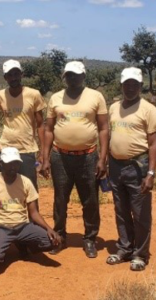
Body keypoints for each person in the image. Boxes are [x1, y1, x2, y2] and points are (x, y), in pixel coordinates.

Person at [40, 61, 109, 258]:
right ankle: (60, 237)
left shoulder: (95, 97)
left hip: (88, 156)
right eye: (69, 75)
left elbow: (104, 128)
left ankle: (89, 239)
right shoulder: (55, 98)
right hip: (60, 156)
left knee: (90, 200)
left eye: (76, 75)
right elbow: (48, 129)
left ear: (83, 76)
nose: (72, 78)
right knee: (60, 199)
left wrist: (102, 158)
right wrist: (45, 158)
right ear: (65, 77)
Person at [106, 67, 156, 271]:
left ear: (140, 86)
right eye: (126, 84)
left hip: (138, 167)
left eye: (134, 84)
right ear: (121, 85)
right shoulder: (113, 108)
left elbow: (154, 144)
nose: (130, 88)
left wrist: (151, 173)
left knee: (140, 214)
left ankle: (140, 254)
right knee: (121, 211)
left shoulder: (148, 109)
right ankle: (124, 248)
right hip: (115, 166)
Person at [0, 147, 61, 266]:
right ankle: (1, 243)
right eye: (9, 164)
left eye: (16, 163)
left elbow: (33, 213)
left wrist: (49, 229)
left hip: (23, 226)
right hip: (1, 227)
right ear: (2, 164)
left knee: (53, 242)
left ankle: (22, 243)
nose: (13, 167)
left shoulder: (25, 182)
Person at [0, 59, 46, 192]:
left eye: (16, 74)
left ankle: (31, 213)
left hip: (26, 149)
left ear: (21, 74)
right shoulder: (0, 96)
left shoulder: (33, 94)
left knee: (29, 188)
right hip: (5, 148)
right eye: (10, 75)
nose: (13, 78)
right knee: (7, 188)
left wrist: (43, 151)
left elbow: (41, 124)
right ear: (5, 77)